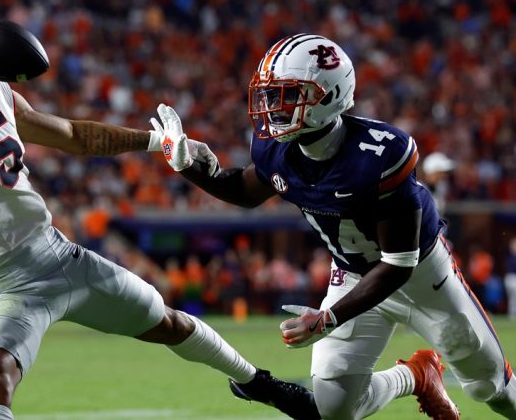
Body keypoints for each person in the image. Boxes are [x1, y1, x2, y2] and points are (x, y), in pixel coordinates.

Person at [0, 14, 321, 420]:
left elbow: (71, 133)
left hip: (57, 253)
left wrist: (154, 143)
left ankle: (259, 384)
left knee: (170, 324)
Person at [152, 33, 516, 419]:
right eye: (270, 95)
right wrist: (186, 165)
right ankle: (416, 375)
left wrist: (328, 318)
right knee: (335, 410)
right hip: (353, 274)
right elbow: (245, 190)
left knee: (493, 390)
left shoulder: (378, 155)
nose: (272, 107)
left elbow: (398, 264)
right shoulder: (278, 151)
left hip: (422, 277)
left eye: (288, 95)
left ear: (328, 96)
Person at [421, 151, 456, 218]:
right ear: (432, 172)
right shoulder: (417, 191)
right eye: (440, 172)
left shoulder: (442, 188)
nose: (444, 175)